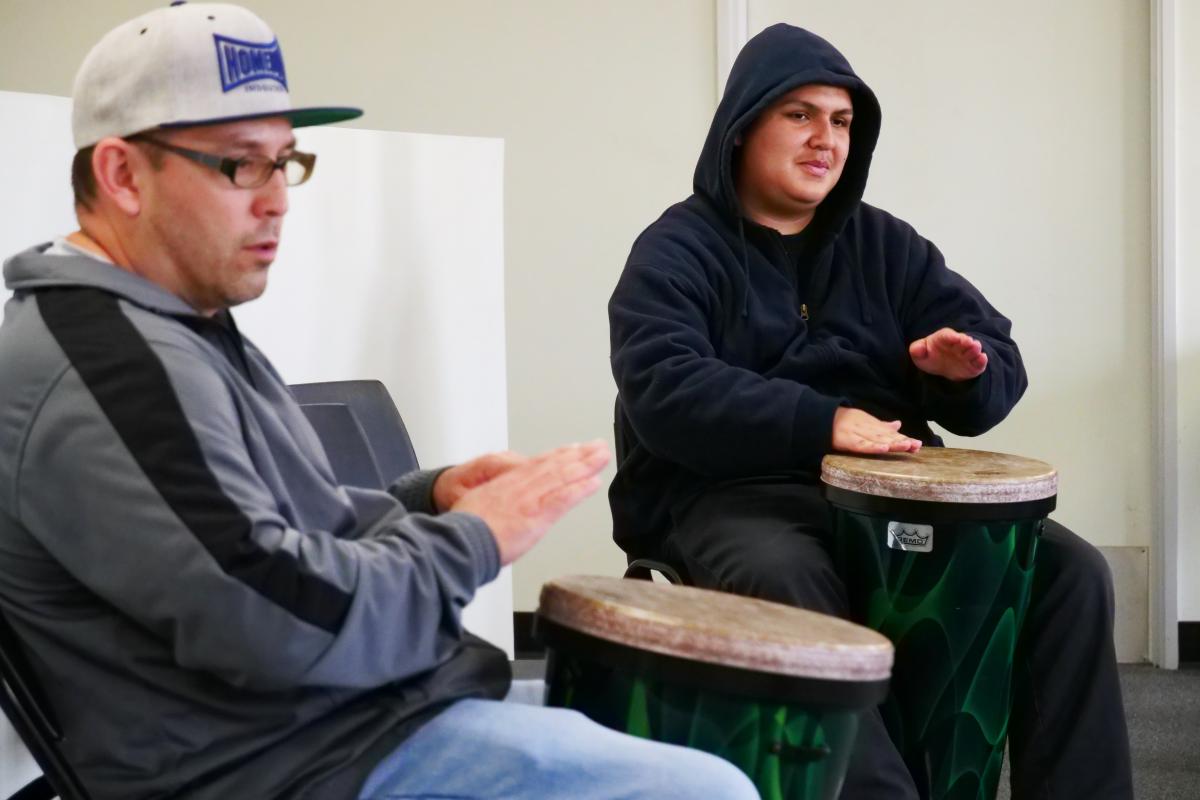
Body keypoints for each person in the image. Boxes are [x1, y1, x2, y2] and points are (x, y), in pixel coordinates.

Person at [0, 4, 761, 799]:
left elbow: (259, 533)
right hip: (297, 763)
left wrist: (427, 499)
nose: (277, 200)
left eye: (283, 162)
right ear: (123, 175)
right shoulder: (106, 368)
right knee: (711, 788)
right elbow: (280, 616)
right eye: (239, 165)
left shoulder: (168, 325)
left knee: (707, 734)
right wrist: (475, 538)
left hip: (352, 719)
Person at [609, 23, 1133, 800]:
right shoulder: (678, 249)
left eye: (843, 121)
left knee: (1070, 574)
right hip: (734, 499)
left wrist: (959, 377)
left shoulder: (886, 246)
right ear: (742, 124)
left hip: (891, 492)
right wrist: (822, 422)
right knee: (790, 579)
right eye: (800, 115)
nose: (826, 139)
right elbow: (665, 388)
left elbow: (997, 360)